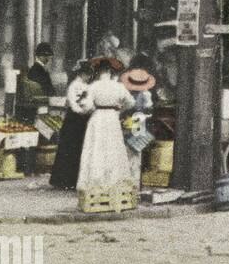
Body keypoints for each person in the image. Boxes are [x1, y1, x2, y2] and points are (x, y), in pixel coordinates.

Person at [76, 56, 137, 212]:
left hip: (98, 119)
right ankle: (113, 187)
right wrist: (119, 108)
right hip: (112, 118)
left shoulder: (94, 86)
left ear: (98, 72)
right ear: (110, 72)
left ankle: (95, 187)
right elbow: (131, 102)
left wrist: (85, 106)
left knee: (96, 150)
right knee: (113, 150)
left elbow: (88, 106)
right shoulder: (118, 86)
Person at [49, 60, 94, 190]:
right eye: (88, 74)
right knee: (69, 149)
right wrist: (83, 110)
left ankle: (73, 179)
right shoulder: (74, 85)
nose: (89, 77)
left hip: (82, 119)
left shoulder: (86, 86)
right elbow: (73, 104)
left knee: (78, 149)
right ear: (82, 73)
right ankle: (63, 180)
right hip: (74, 119)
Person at [121, 55, 157, 187]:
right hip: (139, 119)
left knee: (129, 150)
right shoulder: (146, 94)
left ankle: (130, 180)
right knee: (136, 151)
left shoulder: (128, 92)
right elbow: (149, 109)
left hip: (129, 119)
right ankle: (134, 181)